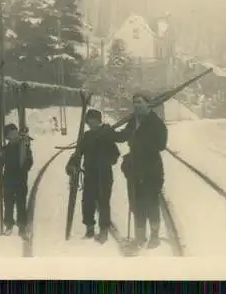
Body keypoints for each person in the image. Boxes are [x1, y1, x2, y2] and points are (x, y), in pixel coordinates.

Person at [114, 92, 168, 250]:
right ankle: (140, 236)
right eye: (135, 103)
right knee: (137, 204)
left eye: (140, 102)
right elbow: (124, 135)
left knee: (151, 203)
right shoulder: (133, 121)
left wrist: (139, 143)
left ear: (148, 104)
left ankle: (155, 236)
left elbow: (161, 144)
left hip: (151, 169)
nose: (137, 105)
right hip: (135, 169)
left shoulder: (156, 123)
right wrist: (108, 133)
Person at [67, 109, 121, 244]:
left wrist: (106, 160)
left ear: (99, 120)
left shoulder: (106, 134)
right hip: (90, 174)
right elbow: (78, 153)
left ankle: (103, 231)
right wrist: (72, 164)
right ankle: (89, 229)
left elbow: (116, 153)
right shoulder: (86, 136)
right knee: (88, 202)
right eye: (90, 121)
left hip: (104, 174)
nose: (92, 123)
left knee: (103, 203)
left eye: (95, 120)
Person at [0, 123, 34, 239]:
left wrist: (27, 164)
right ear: (7, 137)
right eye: (11, 133)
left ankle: (22, 227)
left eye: (15, 132)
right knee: (8, 203)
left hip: (21, 179)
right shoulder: (4, 150)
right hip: (9, 180)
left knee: (21, 203)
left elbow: (30, 160)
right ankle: (9, 224)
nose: (14, 135)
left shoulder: (23, 147)